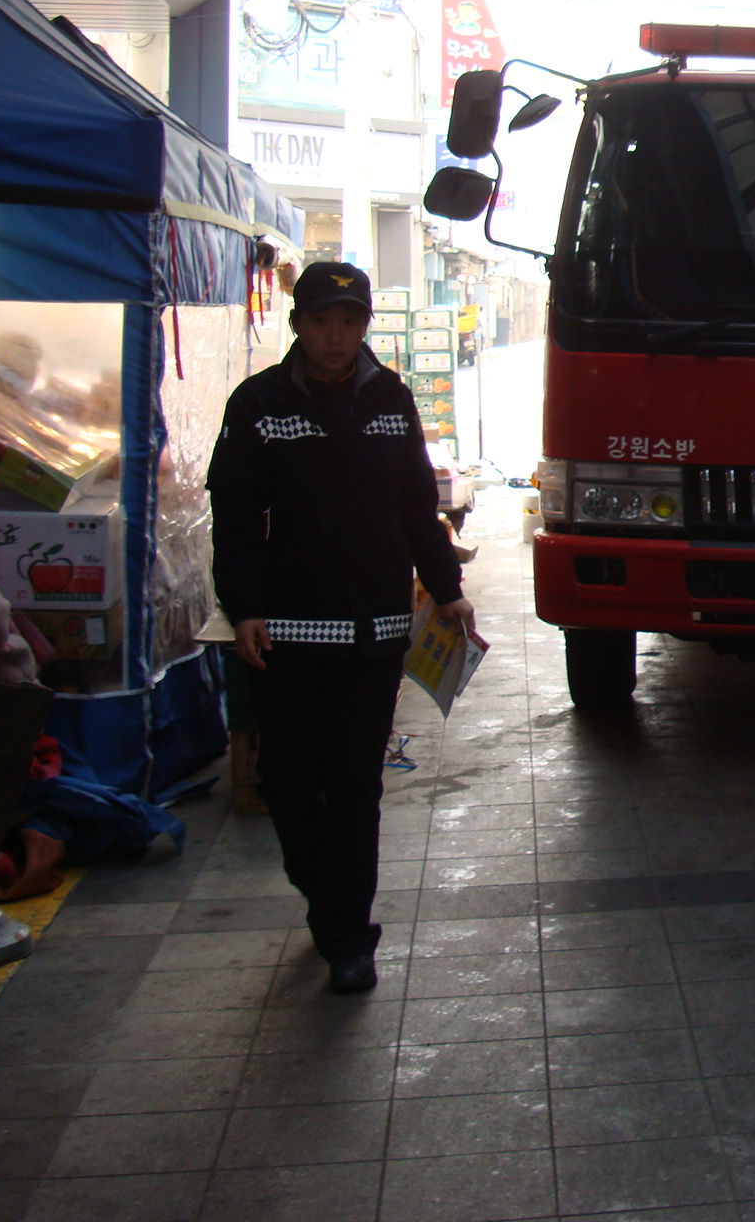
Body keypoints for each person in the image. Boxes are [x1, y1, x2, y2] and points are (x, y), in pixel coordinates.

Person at [207, 263, 472, 992]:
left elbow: (417, 506)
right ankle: (322, 892)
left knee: (355, 785)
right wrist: (244, 607)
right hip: (285, 633)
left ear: (364, 326)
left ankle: (349, 937)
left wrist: (447, 590)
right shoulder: (258, 404)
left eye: (350, 321)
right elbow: (235, 519)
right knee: (289, 781)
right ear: (298, 324)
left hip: (374, 629)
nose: (335, 336)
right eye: (322, 320)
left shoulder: (391, 399)